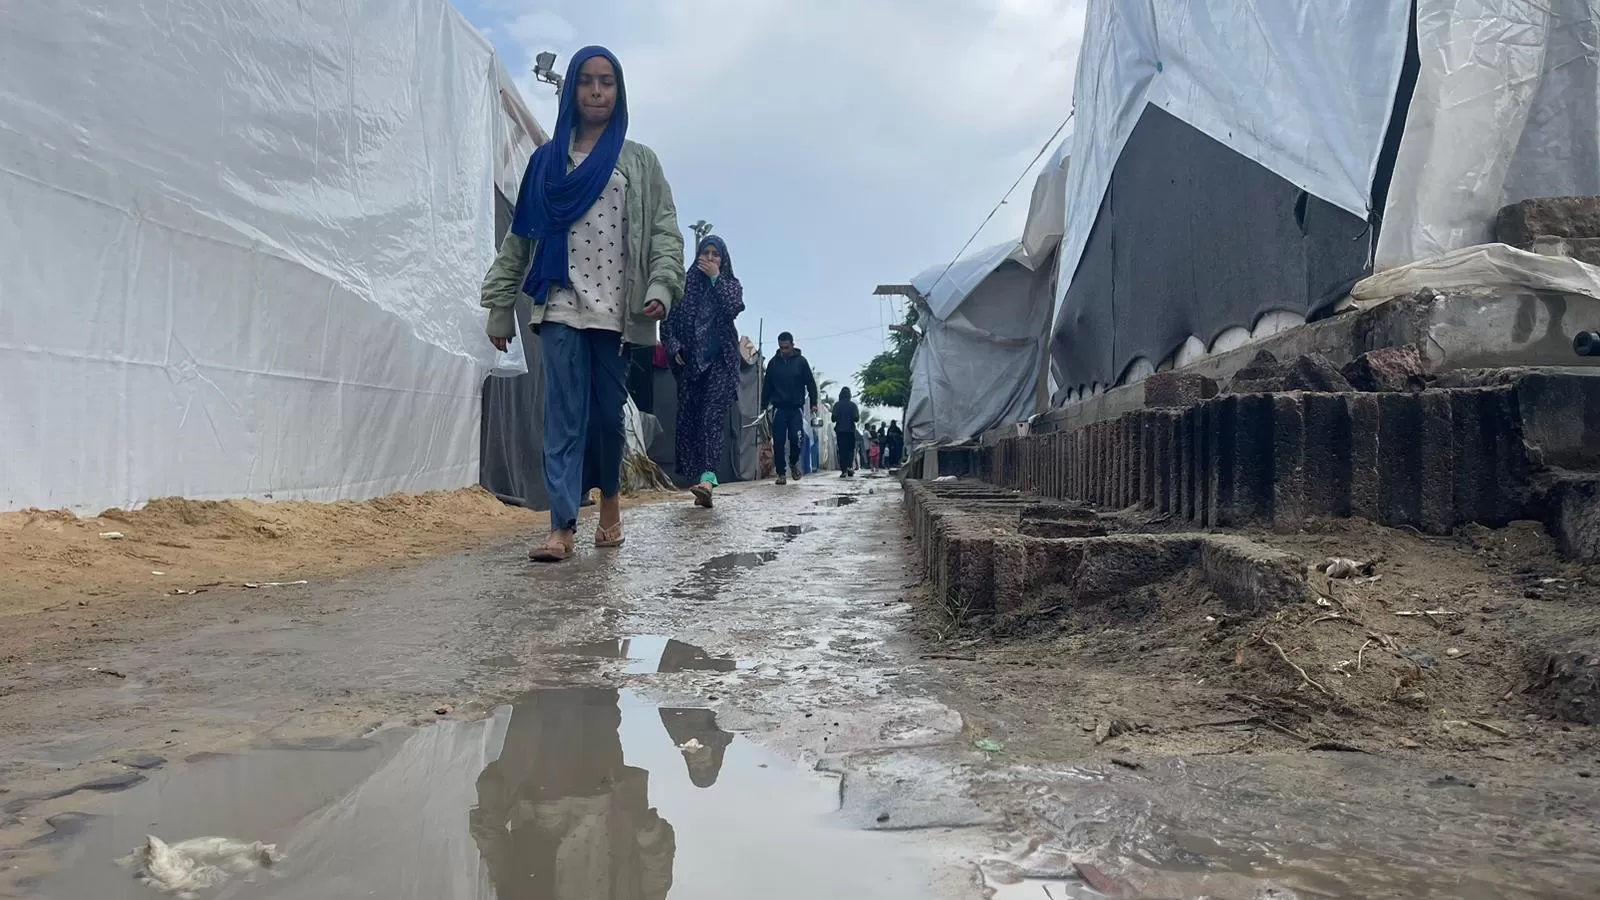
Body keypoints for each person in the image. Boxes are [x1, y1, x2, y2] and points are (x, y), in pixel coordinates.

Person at [481, 46, 684, 563]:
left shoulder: (639, 161)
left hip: (620, 314)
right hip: (560, 304)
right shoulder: (547, 162)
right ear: (572, 89)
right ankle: (562, 524)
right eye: (587, 82)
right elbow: (521, 238)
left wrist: (661, 287)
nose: (597, 91)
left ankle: (610, 503)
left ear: (619, 92)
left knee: (607, 417)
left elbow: (664, 232)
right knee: (562, 413)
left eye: (607, 82)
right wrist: (500, 302)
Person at [662, 235, 743, 509]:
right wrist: (674, 348)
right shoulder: (682, 287)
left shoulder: (730, 285)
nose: (709, 259)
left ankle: (708, 479)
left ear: (723, 259)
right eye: (705, 253)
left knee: (711, 417)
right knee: (692, 421)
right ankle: (700, 482)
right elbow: (668, 324)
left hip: (721, 361)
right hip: (691, 365)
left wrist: (716, 279)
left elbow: (732, 307)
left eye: (715, 254)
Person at [761, 332, 818, 485]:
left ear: (792, 345)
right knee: (778, 442)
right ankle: (781, 473)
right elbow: (767, 386)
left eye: (786, 347)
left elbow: (811, 384)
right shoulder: (774, 363)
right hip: (779, 408)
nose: (783, 351)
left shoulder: (801, 362)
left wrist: (814, 403)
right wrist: (763, 405)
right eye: (781, 348)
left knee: (795, 438)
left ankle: (793, 463)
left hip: (795, 409)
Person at [832, 387, 860, 478]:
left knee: (842, 450)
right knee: (850, 450)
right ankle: (850, 467)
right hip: (850, 431)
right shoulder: (853, 405)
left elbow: (833, 418)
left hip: (840, 431)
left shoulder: (837, 405)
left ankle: (843, 470)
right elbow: (856, 418)